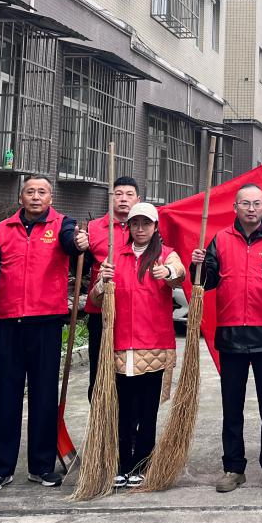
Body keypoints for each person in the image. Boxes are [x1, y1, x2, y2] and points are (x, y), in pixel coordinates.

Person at [0, 174, 89, 492]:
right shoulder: (1, 229)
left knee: (43, 395)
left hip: (46, 321)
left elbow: (70, 244)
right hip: (8, 321)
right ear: (21, 198)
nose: (36, 197)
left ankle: (42, 466)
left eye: (42, 192)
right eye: (30, 192)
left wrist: (78, 243)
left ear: (50, 198)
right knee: (4, 396)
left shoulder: (63, 225)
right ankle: (0, 468)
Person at [192, 183, 262, 493]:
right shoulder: (221, 239)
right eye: (245, 204)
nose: (251, 209)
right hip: (231, 335)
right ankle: (233, 468)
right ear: (235, 207)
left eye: (257, 203)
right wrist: (198, 265)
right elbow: (207, 282)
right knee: (232, 407)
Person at [88, 201, 185, 489]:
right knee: (123, 409)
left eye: (146, 223)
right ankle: (122, 463)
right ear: (129, 227)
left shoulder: (166, 255)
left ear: (155, 227)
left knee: (148, 409)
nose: (140, 228)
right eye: (135, 223)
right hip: (120, 343)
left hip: (154, 343)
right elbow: (95, 299)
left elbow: (179, 274)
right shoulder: (115, 256)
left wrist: (168, 273)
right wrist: (102, 283)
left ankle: (143, 463)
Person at [85, 176, 142, 397]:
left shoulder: (146, 228)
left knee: (130, 374)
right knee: (99, 372)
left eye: (129, 195)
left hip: (135, 313)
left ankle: (128, 417)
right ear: (110, 198)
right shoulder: (93, 228)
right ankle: (101, 414)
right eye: (118, 194)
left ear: (138, 199)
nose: (123, 199)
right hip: (101, 313)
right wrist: (78, 247)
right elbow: (78, 267)